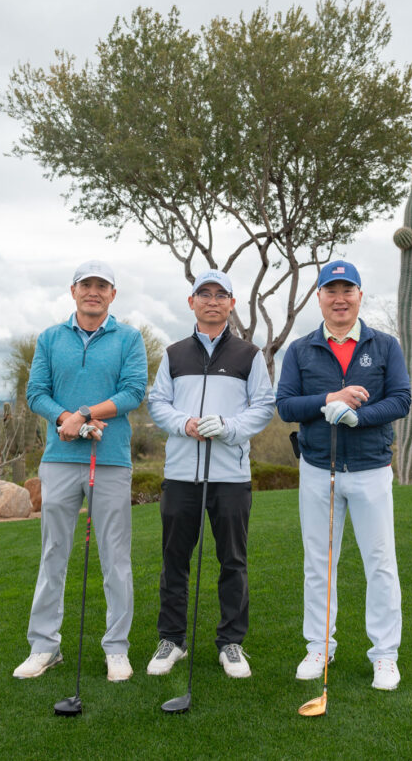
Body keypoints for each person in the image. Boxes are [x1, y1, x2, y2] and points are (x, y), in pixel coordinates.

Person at [275, 259, 412, 692]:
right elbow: (285, 406)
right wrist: (329, 400)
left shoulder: (384, 345)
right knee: (319, 564)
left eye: (347, 290)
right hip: (319, 470)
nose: (339, 299)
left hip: (371, 470)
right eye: (331, 291)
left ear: (359, 295)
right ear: (319, 297)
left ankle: (385, 654)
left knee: (380, 564)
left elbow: (401, 399)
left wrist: (359, 416)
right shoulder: (300, 350)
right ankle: (319, 647)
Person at [13, 260, 148, 683]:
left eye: (101, 285)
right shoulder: (51, 338)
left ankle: (117, 648)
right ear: (73, 291)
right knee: (53, 553)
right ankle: (44, 646)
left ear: (112, 294)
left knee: (115, 558)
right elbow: (36, 393)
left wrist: (85, 414)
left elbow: (133, 392)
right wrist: (66, 420)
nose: (93, 291)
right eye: (85, 284)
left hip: (110, 461)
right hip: (59, 459)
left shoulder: (129, 338)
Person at [146, 270, 275, 679]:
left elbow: (264, 405)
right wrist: (184, 423)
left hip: (230, 475)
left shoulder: (249, 355)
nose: (213, 301)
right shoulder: (174, 354)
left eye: (222, 295)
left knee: (232, 561)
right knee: (174, 559)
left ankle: (231, 642)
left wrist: (228, 427)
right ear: (192, 302)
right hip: (181, 473)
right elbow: (157, 402)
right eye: (205, 294)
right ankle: (172, 640)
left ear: (232, 304)